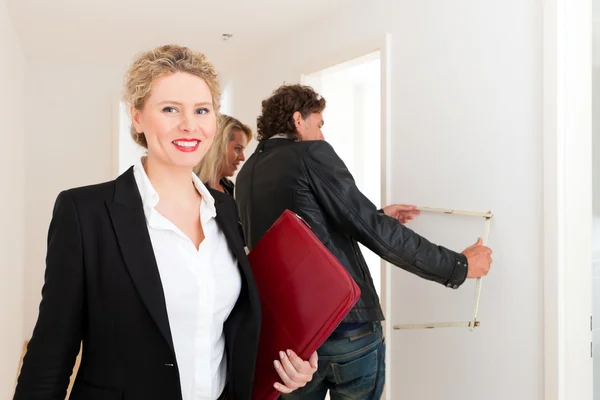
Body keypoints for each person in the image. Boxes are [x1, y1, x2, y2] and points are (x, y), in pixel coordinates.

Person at [14, 46, 317, 400]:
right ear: (138, 117)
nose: (189, 124)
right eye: (170, 109)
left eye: (201, 110)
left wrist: (286, 365)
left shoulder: (222, 207)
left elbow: (229, 331)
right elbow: (50, 353)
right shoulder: (84, 212)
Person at [234, 84, 493, 400]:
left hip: (293, 344)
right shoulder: (311, 153)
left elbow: (299, 234)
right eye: (319, 124)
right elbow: (373, 230)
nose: (323, 136)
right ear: (298, 121)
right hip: (345, 331)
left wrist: (377, 213)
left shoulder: (246, 173)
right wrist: (459, 266)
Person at [194, 114, 252, 196]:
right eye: (237, 148)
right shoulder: (190, 189)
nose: (242, 158)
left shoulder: (231, 189)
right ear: (217, 146)